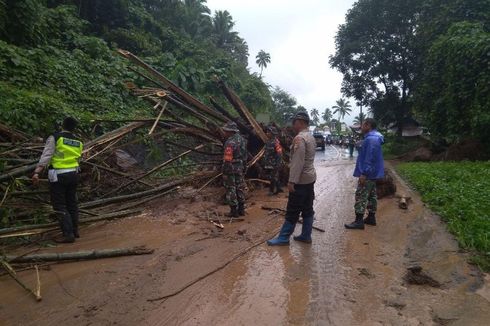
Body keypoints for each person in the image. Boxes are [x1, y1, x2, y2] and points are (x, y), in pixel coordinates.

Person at [267, 112, 316, 245]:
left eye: (294, 122)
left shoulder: (299, 139)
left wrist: (292, 181)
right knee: (307, 207)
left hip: (300, 180)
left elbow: (297, 162)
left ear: (300, 122)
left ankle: (283, 238)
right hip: (310, 178)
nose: (293, 125)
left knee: (293, 209)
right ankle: (306, 235)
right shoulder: (311, 137)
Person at [32, 117, 83, 243]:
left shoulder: (55, 138)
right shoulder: (78, 142)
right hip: (73, 174)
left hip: (58, 175)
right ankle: (75, 231)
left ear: (62, 125)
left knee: (59, 204)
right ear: (74, 128)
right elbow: (75, 158)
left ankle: (68, 234)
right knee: (71, 203)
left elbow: (47, 155)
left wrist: (37, 172)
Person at [345, 118, 384, 230]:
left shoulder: (371, 139)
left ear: (368, 125)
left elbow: (369, 158)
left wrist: (364, 173)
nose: (361, 128)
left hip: (368, 173)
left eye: (362, 125)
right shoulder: (375, 138)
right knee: (372, 195)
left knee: (361, 195)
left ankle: (358, 221)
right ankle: (371, 218)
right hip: (373, 174)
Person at [222, 121, 247, 218]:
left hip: (231, 168)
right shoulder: (242, 140)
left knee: (231, 188)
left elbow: (227, 159)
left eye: (226, 130)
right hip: (239, 167)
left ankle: (234, 211)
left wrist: (224, 171)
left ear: (230, 131)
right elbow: (245, 156)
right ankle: (241, 210)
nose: (224, 132)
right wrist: (244, 167)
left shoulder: (230, 142)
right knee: (239, 187)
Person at [263, 126, 283, 196]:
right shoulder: (268, 142)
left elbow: (279, 153)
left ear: (272, 133)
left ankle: (271, 191)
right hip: (269, 163)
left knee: (272, 177)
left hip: (274, 163)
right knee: (273, 177)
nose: (267, 133)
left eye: (268, 132)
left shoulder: (276, 142)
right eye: (267, 132)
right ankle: (279, 188)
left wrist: (278, 164)